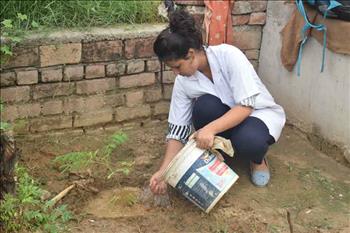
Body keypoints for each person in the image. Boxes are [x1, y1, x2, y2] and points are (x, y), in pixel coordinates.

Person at [149, 9, 286, 194]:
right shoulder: (184, 81)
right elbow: (178, 129)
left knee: (249, 141)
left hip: (257, 114)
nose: (176, 73)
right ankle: (222, 151)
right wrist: (164, 171)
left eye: (177, 66)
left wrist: (210, 129)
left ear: (190, 54)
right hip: (225, 119)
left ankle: (257, 160)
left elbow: (246, 106)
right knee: (204, 107)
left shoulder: (229, 55)